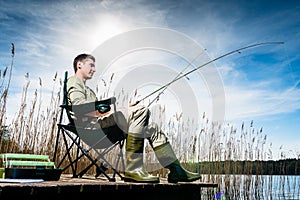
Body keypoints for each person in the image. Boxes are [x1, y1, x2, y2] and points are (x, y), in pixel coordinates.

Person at [67, 53, 201, 183]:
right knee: (141, 111)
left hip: (102, 126)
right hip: (90, 129)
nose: (94, 69)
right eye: (91, 65)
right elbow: (79, 108)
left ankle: (176, 170)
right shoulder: (74, 82)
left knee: (152, 128)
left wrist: (125, 108)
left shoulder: (88, 91)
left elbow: (99, 111)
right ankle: (133, 169)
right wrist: (115, 109)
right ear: (79, 65)